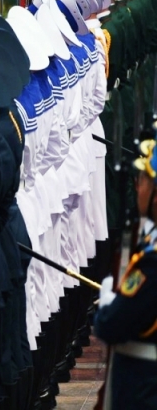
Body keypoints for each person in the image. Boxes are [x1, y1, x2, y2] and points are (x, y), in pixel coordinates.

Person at [95, 139, 157, 409]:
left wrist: (109, 302)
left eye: (143, 179)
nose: (138, 186)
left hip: (143, 385)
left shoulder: (152, 262)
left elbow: (112, 325)